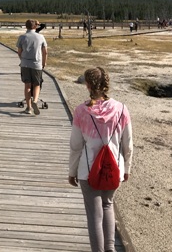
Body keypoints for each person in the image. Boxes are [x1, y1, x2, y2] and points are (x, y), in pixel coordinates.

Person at [68, 67, 133, 252]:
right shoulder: (121, 109)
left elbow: (75, 145)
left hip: (88, 170)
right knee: (107, 205)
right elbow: (128, 144)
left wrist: (72, 171)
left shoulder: (81, 111)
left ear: (87, 85)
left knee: (94, 215)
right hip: (114, 168)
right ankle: (110, 248)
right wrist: (127, 168)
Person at [16, 19, 47, 115]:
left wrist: (23, 59)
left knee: (27, 85)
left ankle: (29, 108)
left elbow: (19, 52)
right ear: (35, 27)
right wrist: (44, 63)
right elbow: (45, 52)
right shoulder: (41, 37)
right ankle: (35, 101)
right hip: (37, 64)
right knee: (37, 84)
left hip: (25, 64)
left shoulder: (22, 37)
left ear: (26, 26)